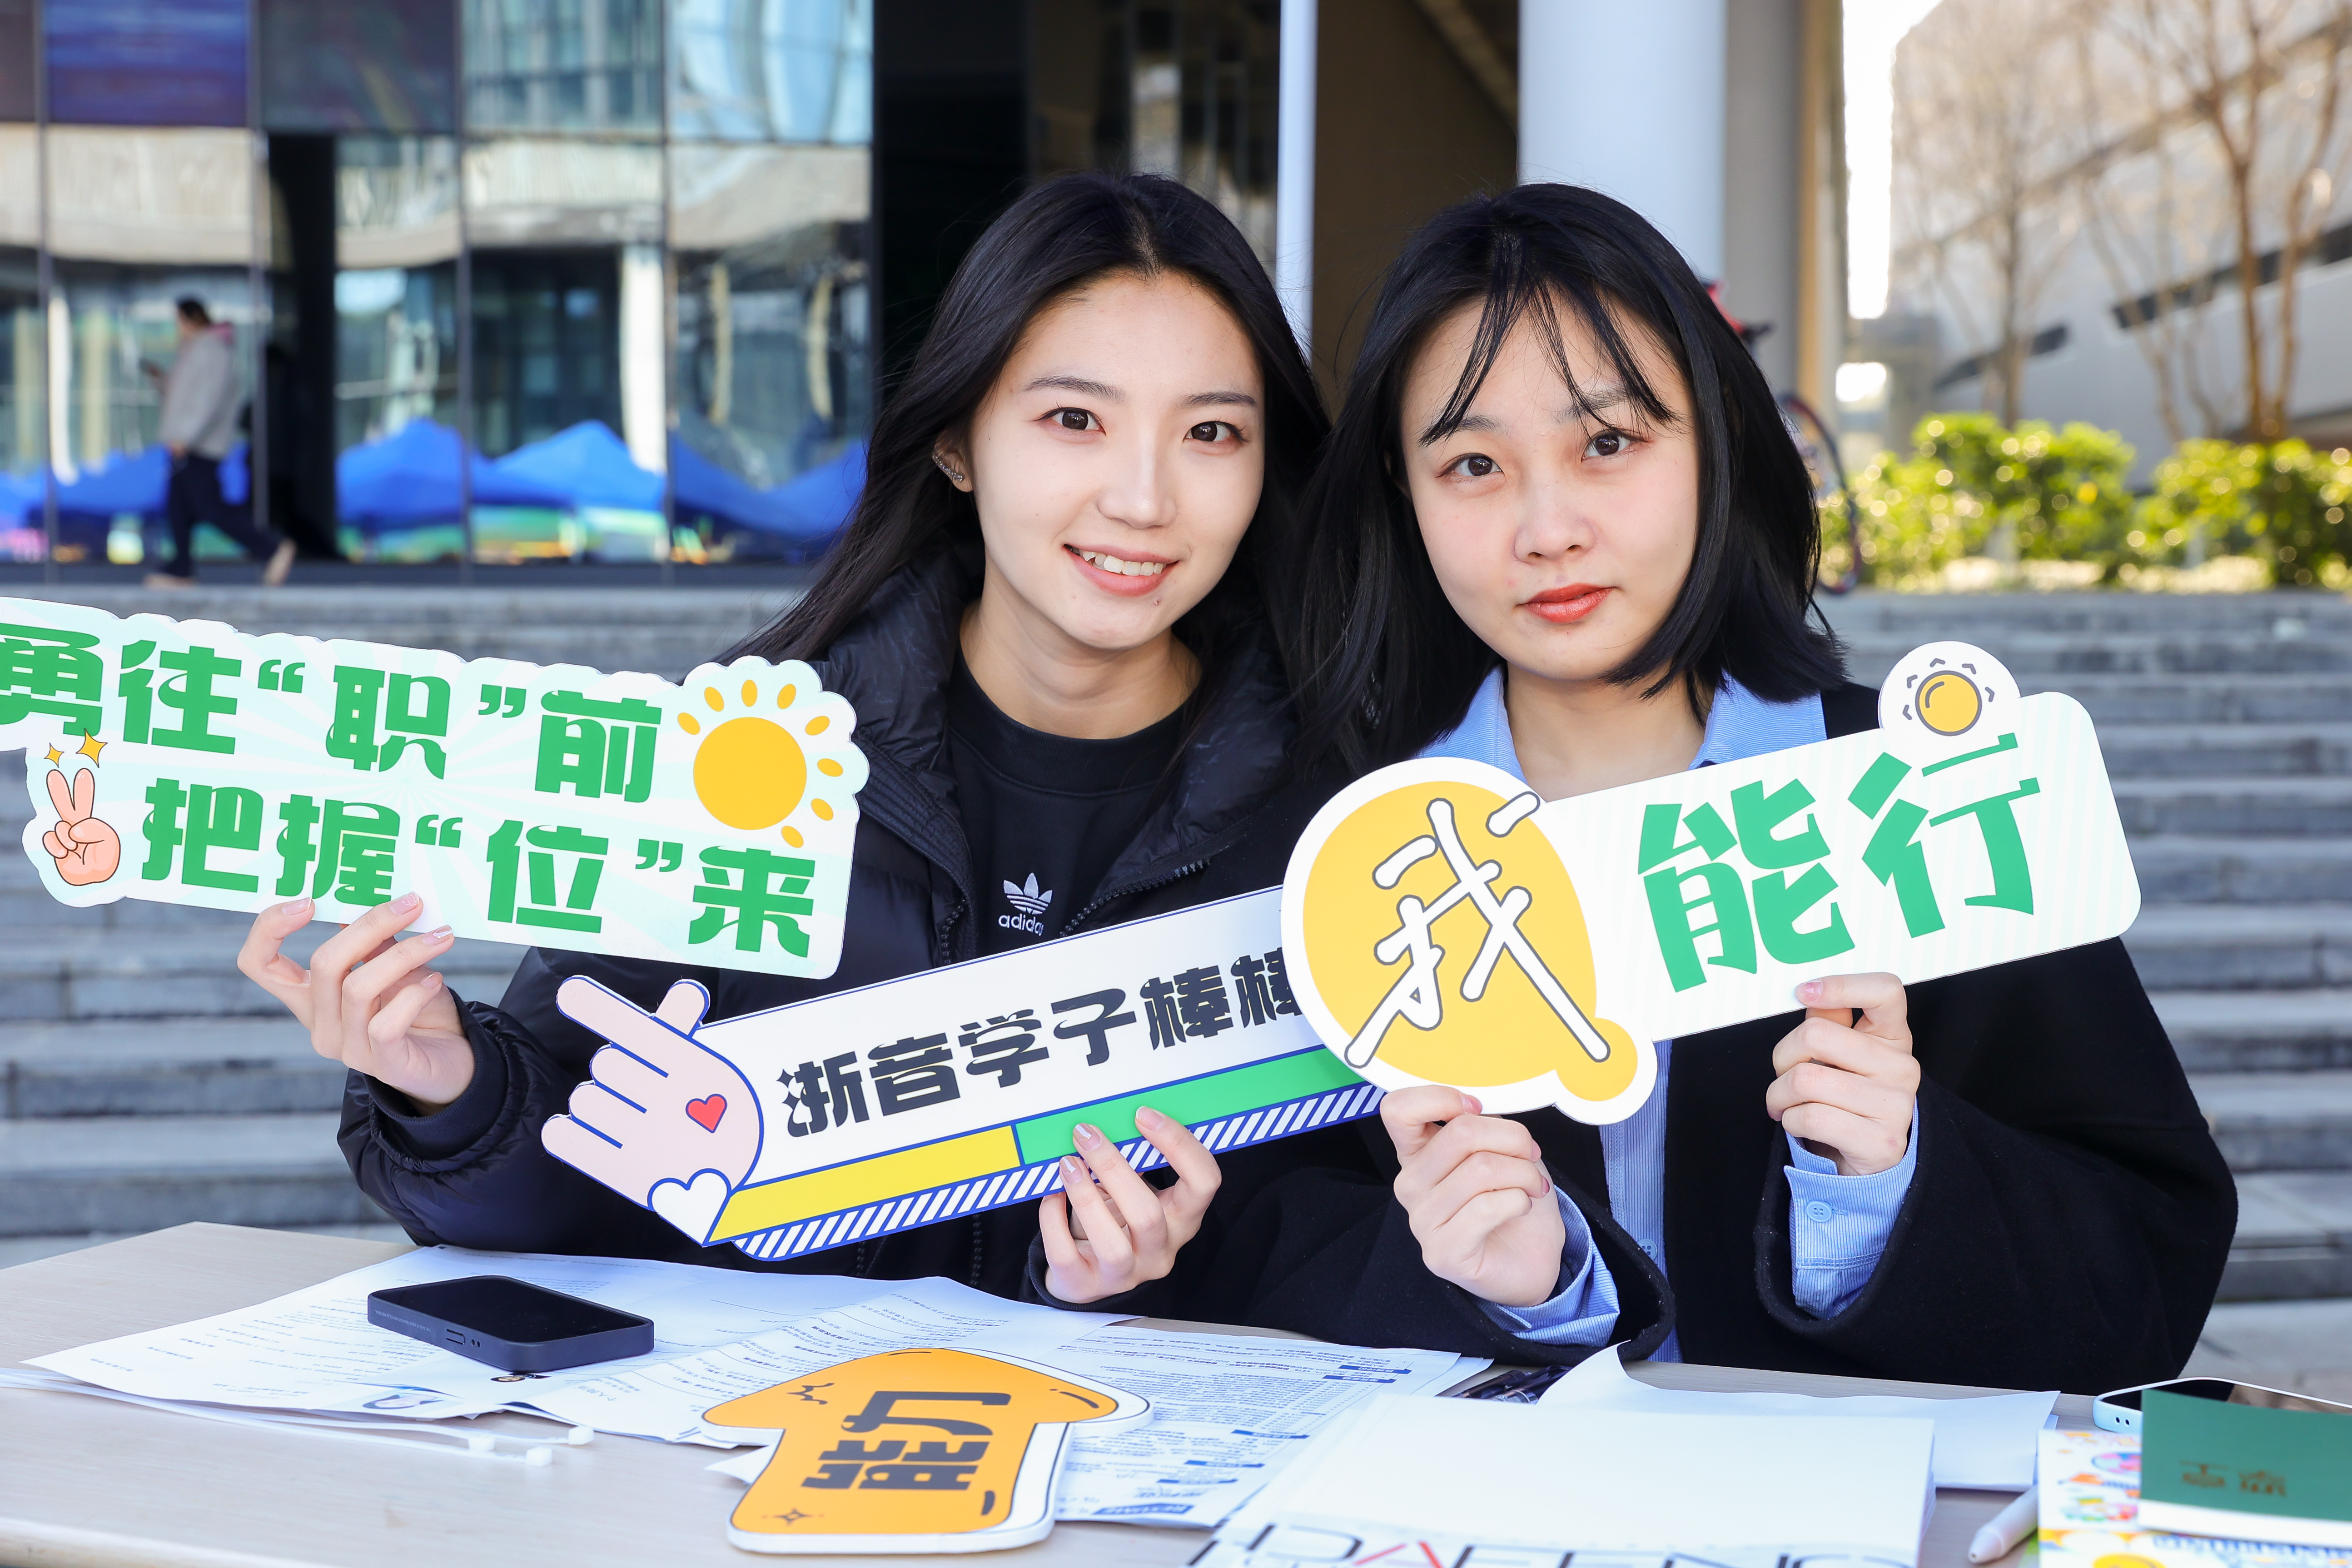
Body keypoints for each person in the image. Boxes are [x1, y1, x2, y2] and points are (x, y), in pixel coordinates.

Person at [1170, 184, 2236, 1394]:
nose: (1546, 528)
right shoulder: (1351, 851)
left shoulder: (1917, 795)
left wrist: (1893, 1182)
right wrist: (1505, 1282)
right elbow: (1251, 1236)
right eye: (1471, 463)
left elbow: (2149, 1249)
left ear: (1717, 436)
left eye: (1607, 443)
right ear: (1401, 495)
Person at [233, 171, 1351, 1302]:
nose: (1144, 499)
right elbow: (562, 1179)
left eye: (1210, 431)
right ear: (956, 441)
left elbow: (1359, 1239)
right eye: (1075, 420)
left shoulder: (1336, 821)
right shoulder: (749, 752)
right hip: (761, 1410)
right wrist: (447, 1090)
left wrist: (1149, 1280)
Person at [146, 297, 294, 589]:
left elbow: (207, 402)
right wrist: (162, 381)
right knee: (178, 506)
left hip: (200, 445)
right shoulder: (197, 350)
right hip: (188, 444)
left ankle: (271, 548)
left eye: (178, 321)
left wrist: (185, 437)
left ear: (189, 319)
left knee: (209, 507)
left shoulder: (211, 351)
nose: (177, 328)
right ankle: (181, 568)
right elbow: (186, 396)